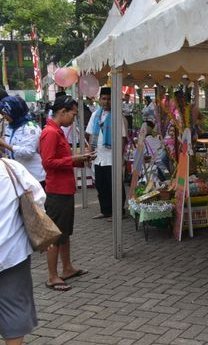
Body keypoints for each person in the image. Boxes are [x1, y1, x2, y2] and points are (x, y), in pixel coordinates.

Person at [40, 95, 93, 291]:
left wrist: (79, 160)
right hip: (57, 191)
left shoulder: (57, 131)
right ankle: (52, 276)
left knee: (64, 232)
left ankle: (67, 268)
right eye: (73, 113)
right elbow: (48, 162)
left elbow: (60, 159)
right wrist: (75, 158)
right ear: (62, 112)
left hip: (64, 189)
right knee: (56, 235)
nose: (74, 117)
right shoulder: (51, 133)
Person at [0, 158, 44, 345]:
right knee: (15, 307)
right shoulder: (10, 168)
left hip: (12, 253)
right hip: (11, 252)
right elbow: (38, 199)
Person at [86, 87, 127, 221]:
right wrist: (90, 154)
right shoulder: (95, 115)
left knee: (114, 186)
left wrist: (120, 157)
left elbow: (122, 138)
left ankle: (119, 212)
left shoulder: (117, 116)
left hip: (112, 157)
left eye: (109, 99)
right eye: (104, 98)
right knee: (101, 185)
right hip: (98, 156)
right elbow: (91, 135)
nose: (106, 102)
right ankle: (105, 211)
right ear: (99, 100)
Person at [0, 96, 46, 186]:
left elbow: (28, 152)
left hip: (34, 177)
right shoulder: (10, 127)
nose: (4, 116)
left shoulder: (31, 127)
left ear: (14, 111)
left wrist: (5, 145)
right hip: (18, 176)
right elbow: (9, 151)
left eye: (5, 113)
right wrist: (2, 147)